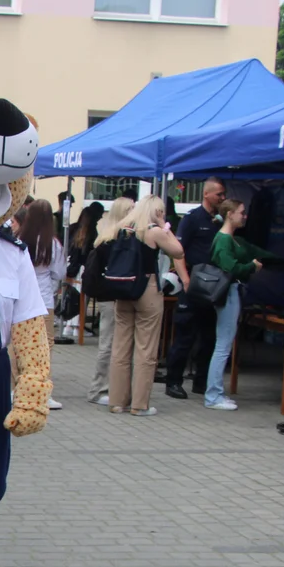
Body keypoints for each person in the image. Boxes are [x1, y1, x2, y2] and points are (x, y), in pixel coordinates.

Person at [102, 195, 184, 416]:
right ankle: (139, 404)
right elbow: (178, 251)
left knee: (120, 346)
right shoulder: (153, 231)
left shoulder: (122, 229)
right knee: (145, 348)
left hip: (123, 288)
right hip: (147, 288)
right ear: (156, 211)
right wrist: (163, 227)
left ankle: (117, 401)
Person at [203, 199, 282, 411]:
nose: (244, 216)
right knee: (223, 344)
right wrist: (251, 267)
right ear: (229, 214)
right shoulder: (223, 240)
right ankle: (213, 395)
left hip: (232, 292)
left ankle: (215, 393)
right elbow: (231, 267)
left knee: (223, 343)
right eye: (241, 212)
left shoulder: (231, 239)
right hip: (228, 292)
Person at [165, 177, 226, 399]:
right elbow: (178, 251)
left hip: (213, 287)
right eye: (219, 194)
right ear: (206, 194)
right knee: (185, 336)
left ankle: (201, 381)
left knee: (208, 337)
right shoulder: (192, 219)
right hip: (193, 284)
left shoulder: (220, 220)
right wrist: (186, 279)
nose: (222, 198)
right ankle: (173, 381)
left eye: (223, 194)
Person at [85, 197, 135, 406]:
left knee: (116, 345)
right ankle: (98, 389)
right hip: (111, 298)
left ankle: (110, 387)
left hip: (115, 297)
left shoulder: (110, 237)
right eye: (131, 210)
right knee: (108, 344)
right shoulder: (113, 241)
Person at [18, 200, 66, 410]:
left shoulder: (19, 240)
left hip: (20, 299)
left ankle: (15, 388)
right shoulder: (52, 243)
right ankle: (41, 392)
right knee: (45, 346)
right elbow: (59, 272)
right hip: (44, 298)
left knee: (18, 345)